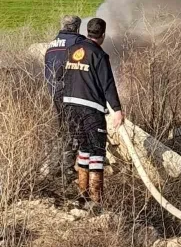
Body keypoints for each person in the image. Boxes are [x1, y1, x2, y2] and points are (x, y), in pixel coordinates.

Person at [62, 17, 124, 203]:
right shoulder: (99, 54)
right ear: (103, 35)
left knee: (84, 148)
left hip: (71, 108)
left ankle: (83, 196)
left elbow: (62, 75)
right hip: (91, 109)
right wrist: (117, 109)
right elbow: (108, 84)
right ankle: (96, 200)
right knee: (97, 151)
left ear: (87, 31)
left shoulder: (72, 50)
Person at [44, 14, 85, 175]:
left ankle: (55, 165)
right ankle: (67, 167)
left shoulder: (52, 44)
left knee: (62, 126)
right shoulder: (77, 42)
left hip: (53, 91)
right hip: (69, 91)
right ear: (76, 27)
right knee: (74, 126)